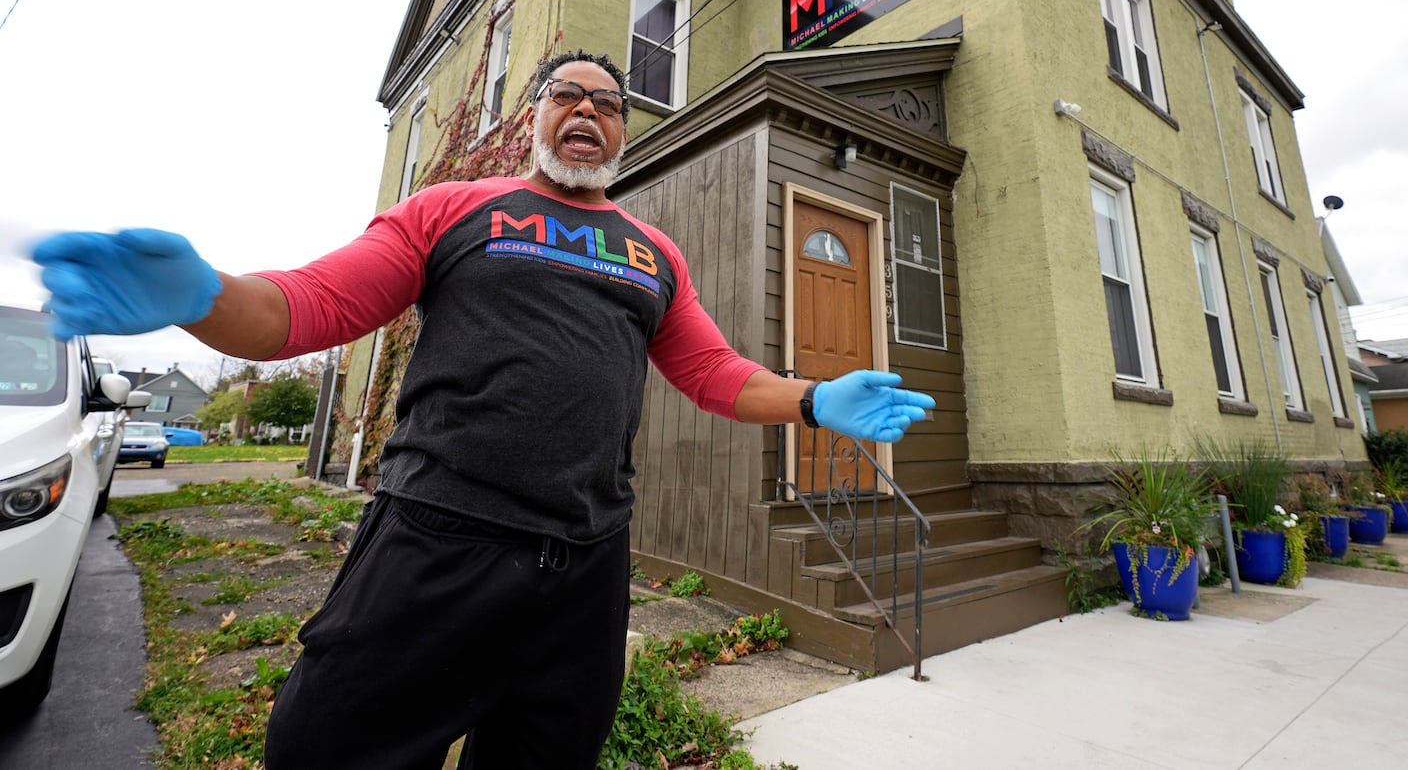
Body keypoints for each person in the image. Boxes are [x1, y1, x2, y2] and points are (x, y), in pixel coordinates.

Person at [31, 50, 934, 769]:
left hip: (584, 573)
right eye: (565, 94)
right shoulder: (454, 210)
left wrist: (815, 398)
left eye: (609, 101)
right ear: (534, 116)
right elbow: (309, 305)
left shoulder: (655, 253)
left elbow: (713, 372)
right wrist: (204, 295)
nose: (587, 109)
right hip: (435, 547)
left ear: (623, 129)